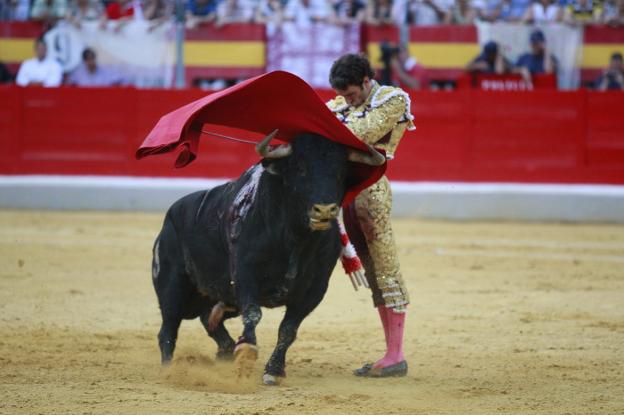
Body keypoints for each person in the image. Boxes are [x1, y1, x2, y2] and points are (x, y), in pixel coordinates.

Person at [326, 54, 414, 378]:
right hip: (341, 197)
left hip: (372, 193)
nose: (346, 100)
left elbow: (362, 132)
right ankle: (391, 354)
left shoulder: (392, 99)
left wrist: (327, 132)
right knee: (373, 272)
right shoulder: (337, 106)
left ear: (366, 80)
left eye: (350, 94)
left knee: (384, 267)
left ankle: (396, 354)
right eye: (343, 95)